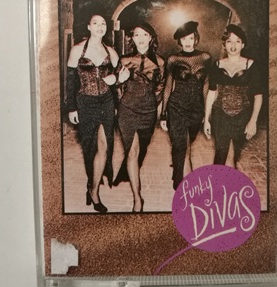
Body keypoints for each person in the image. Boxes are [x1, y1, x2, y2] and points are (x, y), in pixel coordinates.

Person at [66, 13, 120, 213]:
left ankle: (94, 191)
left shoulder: (111, 52)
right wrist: (71, 107)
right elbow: (70, 82)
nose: (100, 26)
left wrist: (116, 78)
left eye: (103, 23)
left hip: (106, 101)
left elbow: (119, 76)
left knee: (103, 146)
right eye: (95, 23)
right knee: (90, 148)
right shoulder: (77, 50)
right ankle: (91, 182)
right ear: (89, 27)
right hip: (85, 102)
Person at [113, 22, 165, 212]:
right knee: (133, 152)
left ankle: (127, 173)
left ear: (151, 38)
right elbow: (116, 87)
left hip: (148, 113)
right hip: (127, 110)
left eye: (144, 35)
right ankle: (137, 198)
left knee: (140, 151)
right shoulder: (124, 60)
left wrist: (156, 111)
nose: (140, 39)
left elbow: (160, 89)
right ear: (132, 39)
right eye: (136, 35)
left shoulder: (160, 62)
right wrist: (120, 81)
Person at [160, 21, 211, 190]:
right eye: (184, 39)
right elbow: (168, 86)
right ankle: (181, 183)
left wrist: (206, 112)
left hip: (196, 109)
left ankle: (177, 169)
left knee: (186, 144)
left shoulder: (205, 58)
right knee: (182, 145)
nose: (187, 42)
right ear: (179, 41)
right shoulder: (173, 59)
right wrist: (163, 113)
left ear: (196, 38)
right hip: (176, 107)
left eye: (190, 38)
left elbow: (206, 85)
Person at [204, 24, 263, 167]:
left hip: (242, 116)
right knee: (221, 152)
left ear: (243, 44)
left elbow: (258, 96)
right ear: (224, 45)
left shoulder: (251, 65)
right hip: (220, 115)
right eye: (229, 41)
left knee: (233, 156)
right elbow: (212, 93)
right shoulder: (217, 65)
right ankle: (218, 181)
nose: (233, 45)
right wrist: (206, 119)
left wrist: (253, 121)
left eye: (237, 41)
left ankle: (228, 180)